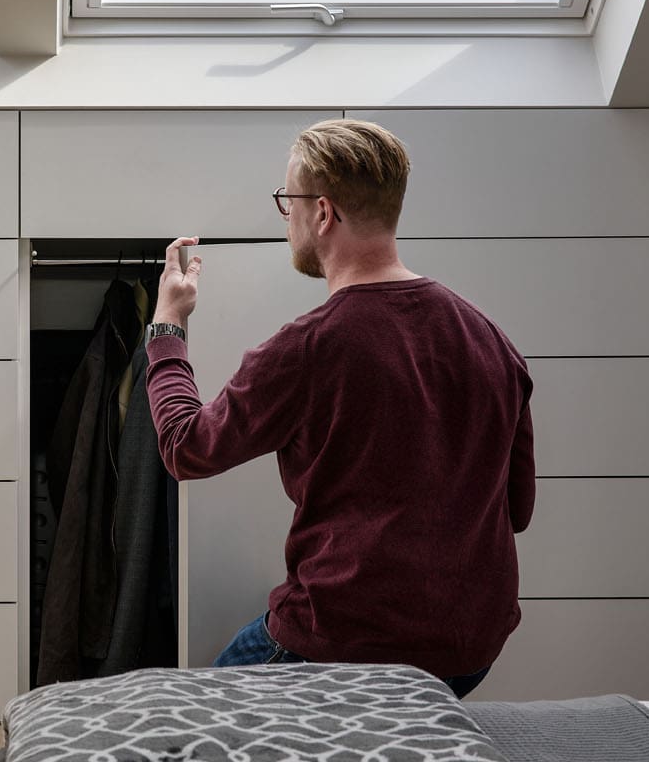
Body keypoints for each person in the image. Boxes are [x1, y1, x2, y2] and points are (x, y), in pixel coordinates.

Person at [143, 118, 535, 699]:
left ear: (323, 213)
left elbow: (184, 446)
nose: (288, 219)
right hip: (469, 648)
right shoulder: (490, 338)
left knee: (205, 714)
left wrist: (167, 325)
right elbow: (518, 509)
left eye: (288, 201)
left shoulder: (310, 346)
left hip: (345, 645)